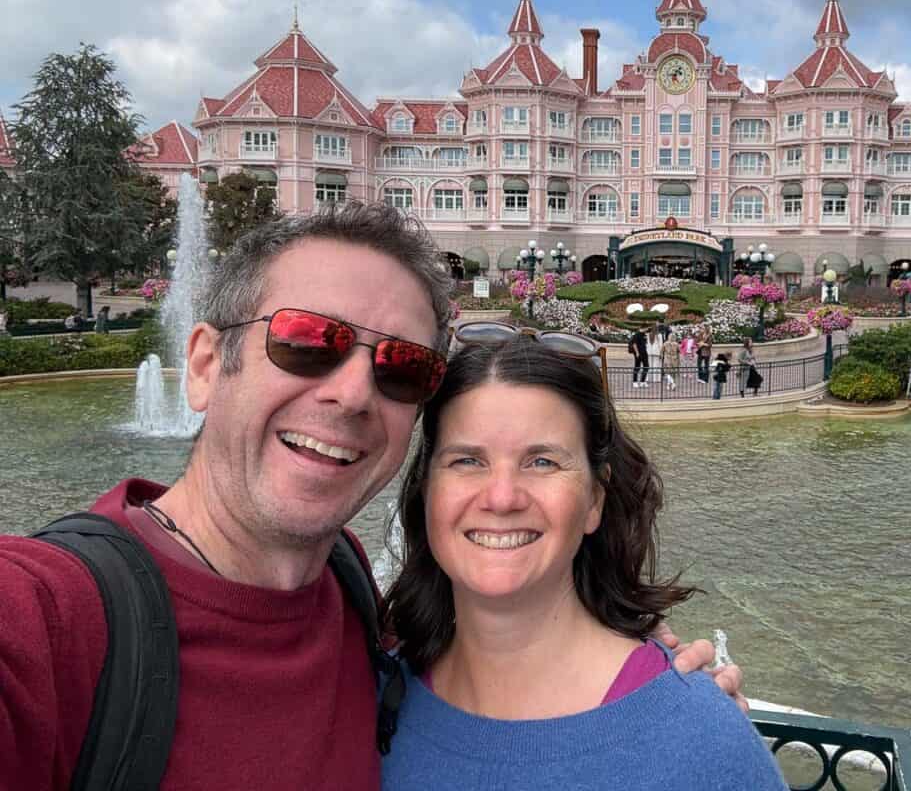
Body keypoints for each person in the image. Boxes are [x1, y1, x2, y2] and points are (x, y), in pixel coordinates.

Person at [0, 202, 735, 790]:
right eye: (306, 340)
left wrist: (670, 707)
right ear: (201, 366)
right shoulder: (48, 616)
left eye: (401, 368)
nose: (352, 394)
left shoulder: (354, 600)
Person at [379, 335, 784, 790]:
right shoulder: (372, 695)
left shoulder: (702, 743)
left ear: (595, 498)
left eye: (543, 462)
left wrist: (693, 725)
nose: (501, 497)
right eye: (468, 460)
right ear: (427, 490)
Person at [661, 326, 679, 391]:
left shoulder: (667, 344)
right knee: (670, 373)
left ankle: (670, 384)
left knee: (669, 373)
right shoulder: (666, 344)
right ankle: (672, 383)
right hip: (670, 359)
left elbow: (661, 352)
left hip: (670, 359)